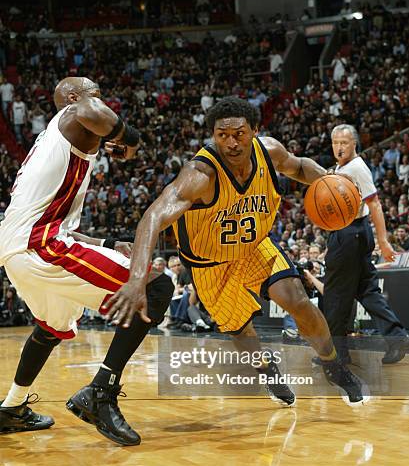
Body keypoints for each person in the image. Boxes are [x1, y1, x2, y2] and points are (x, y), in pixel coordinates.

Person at [105, 97, 368, 406]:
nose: (231, 142)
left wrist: (329, 179)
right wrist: (137, 280)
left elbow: (298, 167)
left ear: (254, 131)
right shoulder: (200, 175)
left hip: (255, 247)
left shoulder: (269, 151)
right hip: (210, 264)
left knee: (296, 298)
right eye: (222, 135)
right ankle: (266, 368)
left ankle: (332, 365)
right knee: (242, 332)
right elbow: (153, 216)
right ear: (213, 136)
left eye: (239, 133)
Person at [0, 77, 173, 445]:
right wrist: (131, 140)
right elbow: (90, 111)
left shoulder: (53, 145)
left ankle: (11, 408)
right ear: (74, 98)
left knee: (50, 327)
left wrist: (107, 242)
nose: (100, 100)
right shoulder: (73, 114)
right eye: (94, 93)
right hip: (40, 246)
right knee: (155, 285)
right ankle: (101, 393)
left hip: (20, 251)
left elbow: (57, 222)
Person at [322, 124, 409, 366]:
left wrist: (384, 241)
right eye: (336, 142)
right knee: (367, 290)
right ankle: (396, 337)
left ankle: (337, 354)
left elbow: (375, 204)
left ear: (354, 144)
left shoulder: (357, 168)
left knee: (335, 295)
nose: (339, 147)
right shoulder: (340, 168)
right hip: (352, 233)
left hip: (352, 232)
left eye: (344, 143)